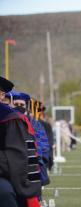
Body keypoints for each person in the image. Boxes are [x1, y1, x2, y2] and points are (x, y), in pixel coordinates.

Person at [0, 76, 41, 207]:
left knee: (4, 192)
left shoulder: (11, 119)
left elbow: (17, 158)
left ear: (1, 95)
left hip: (3, 175)